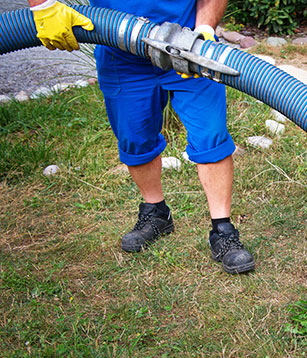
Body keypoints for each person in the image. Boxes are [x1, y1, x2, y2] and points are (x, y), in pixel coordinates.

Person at [27, 0, 255, 274]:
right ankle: (156, 212)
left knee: (210, 135)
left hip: (190, 46)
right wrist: (44, 6)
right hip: (120, 54)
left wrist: (205, 27)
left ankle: (223, 230)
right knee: (135, 139)